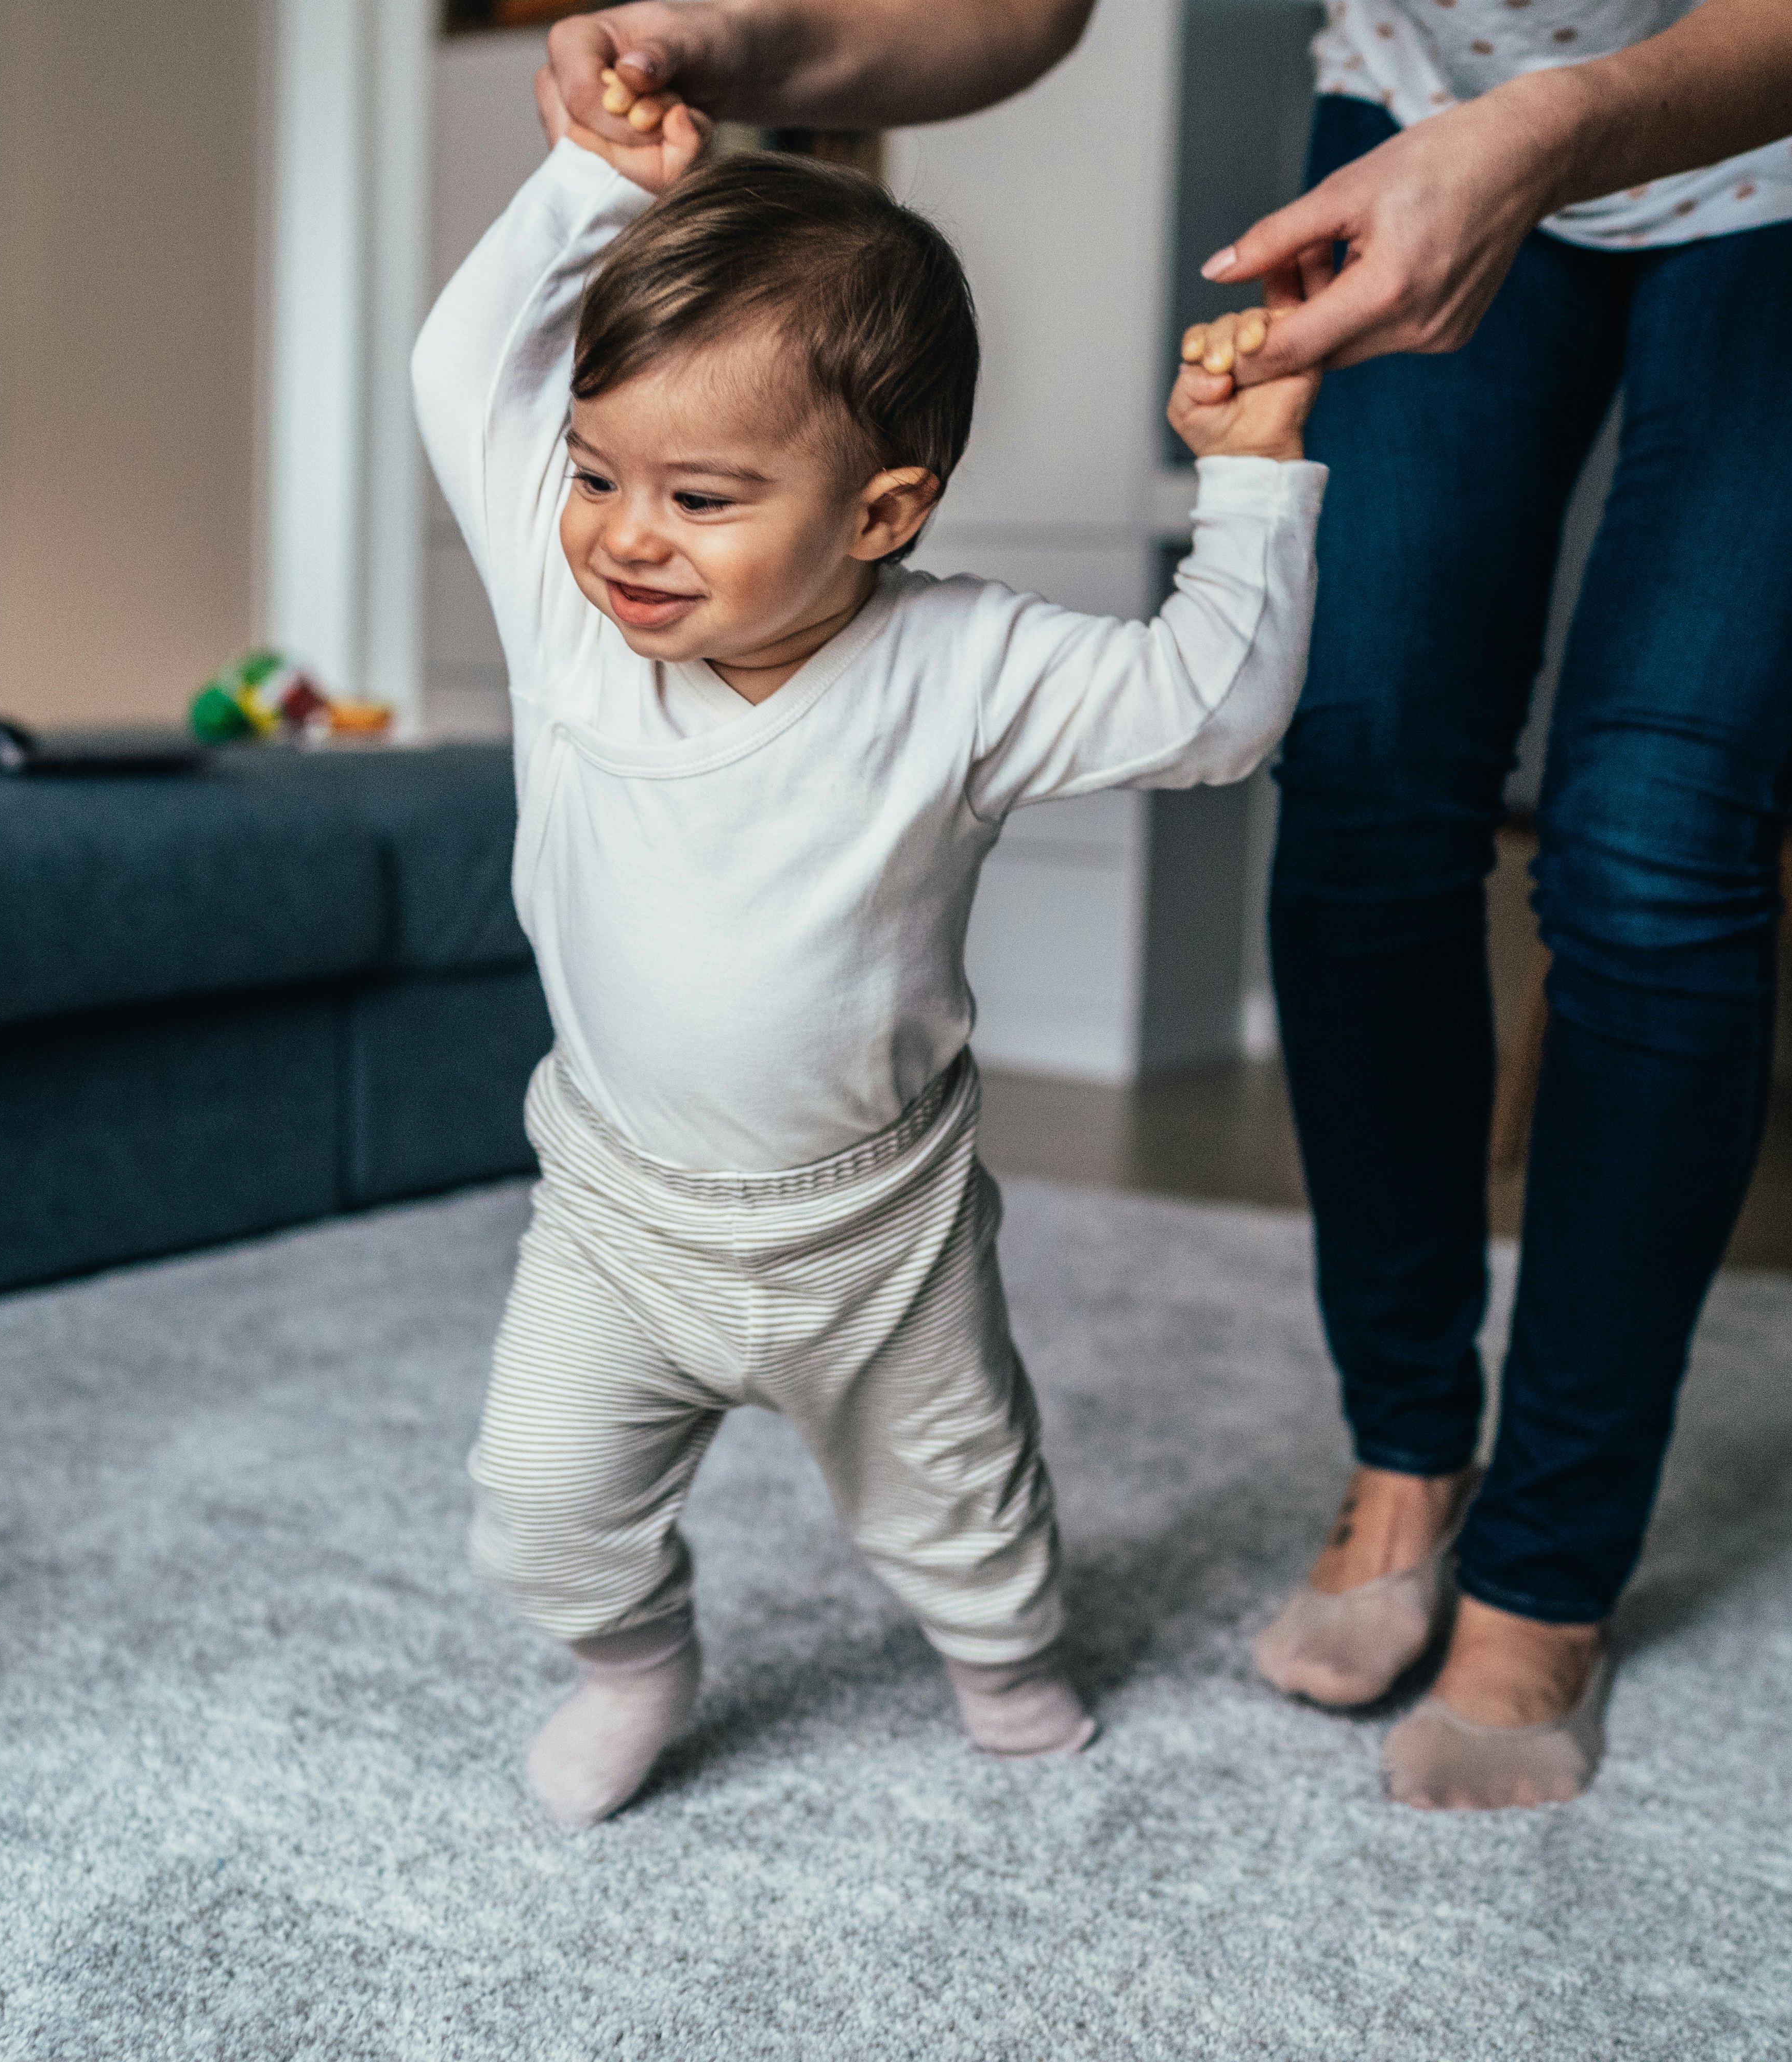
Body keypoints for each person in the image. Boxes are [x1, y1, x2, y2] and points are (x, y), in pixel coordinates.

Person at [542, 0, 1792, 1809]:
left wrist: (1559, 132)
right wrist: (744, 44)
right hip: (1433, 107)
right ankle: (1410, 1451)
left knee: (1654, 837)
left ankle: (1548, 1569)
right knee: (1362, 781)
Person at [414, 64, 1324, 1826]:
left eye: (702, 497)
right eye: (600, 471)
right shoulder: (570, 609)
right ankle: (636, 1668)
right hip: (619, 1212)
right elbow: (467, 372)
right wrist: (588, 192)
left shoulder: (966, 669)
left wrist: (1256, 488)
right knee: (538, 1506)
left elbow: (1213, 711)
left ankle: (1009, 1671)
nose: (621, 534)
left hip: (873, 1235)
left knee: (963, 1510)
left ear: (885, 513)